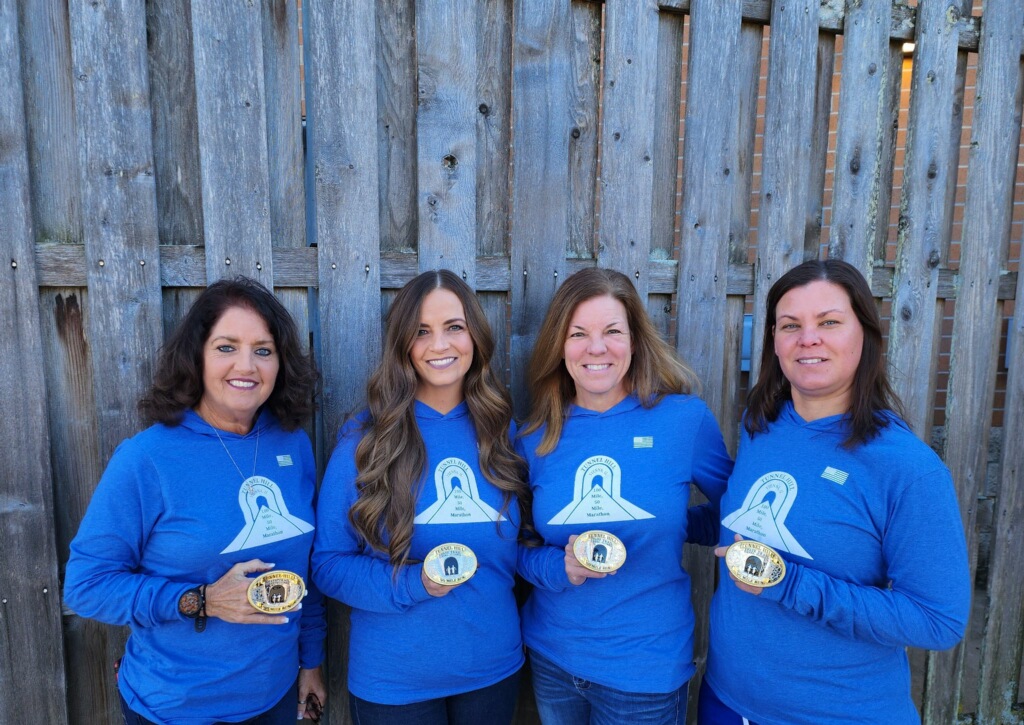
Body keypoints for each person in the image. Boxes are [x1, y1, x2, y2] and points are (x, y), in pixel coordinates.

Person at [695, 259, 971, 725]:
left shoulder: (907, 468)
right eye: (790, 325)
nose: (808, 338)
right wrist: (664, 521)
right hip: (725, 700)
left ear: (863, 334)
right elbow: (741, 520)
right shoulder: (761, 425)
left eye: (829, 322)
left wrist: (789, 585)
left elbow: (938, 620)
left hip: (836, 712)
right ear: (774, 342)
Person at [64, 277, 326, 724]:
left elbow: (305, 569)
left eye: (263, 350)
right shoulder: (147, 458)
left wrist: (311, 661)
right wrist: (201, 600)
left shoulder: (293, 445)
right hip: (176, 707)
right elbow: (87, 586)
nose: (247, 365)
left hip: (275, 697)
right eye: (226, 347)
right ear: (197, 356)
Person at [516, 267, 733, 725]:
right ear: (560, 345)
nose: (597, 348)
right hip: (553, 659)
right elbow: (514, 547)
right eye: (579, 334)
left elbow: (740, 517)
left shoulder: (683, 421)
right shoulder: (535, 436)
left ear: (634, 340)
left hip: (645, 671)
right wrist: (559, 567)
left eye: (612, 331)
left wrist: (678, 523)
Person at [313, 270, 529, 724]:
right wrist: (416, 585)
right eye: (421, 332)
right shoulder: (366, 440)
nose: (440, 345)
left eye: (454, 327)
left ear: (475, 335)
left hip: (492, 670)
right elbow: (328, 565)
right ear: (403, 346)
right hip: (394, 684)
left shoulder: (503, 434)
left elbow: (525, 547)